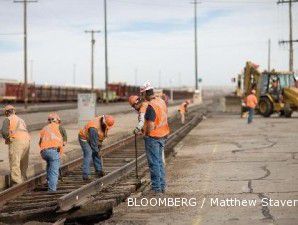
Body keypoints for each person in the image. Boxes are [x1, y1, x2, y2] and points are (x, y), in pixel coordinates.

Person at [144, 85, 170, 195]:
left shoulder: (151, 106)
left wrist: (147, 134)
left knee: (154, 163)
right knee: (159, 162)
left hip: (153, 137)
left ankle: (156, 189)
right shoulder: (161, 101)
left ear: (145, 94)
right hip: (162, 135)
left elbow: (150, 124)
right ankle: (162, 186)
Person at [78, 115, 115, 181]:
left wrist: (99, 145)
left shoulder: (105, 122)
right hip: (84, 138)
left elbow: (101, 135)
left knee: (96, 152)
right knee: (89, 153)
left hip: (93, 138)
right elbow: (94, 145)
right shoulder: (93, 128)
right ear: (104, 122)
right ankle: (86, 175)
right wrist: (98, 151)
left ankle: (99, 171)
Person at [1, 105, 30, 185]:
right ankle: (23, 179)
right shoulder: (21, 120)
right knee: (24, 162)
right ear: (14, 111)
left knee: (15, 162)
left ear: (6, 112)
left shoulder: (8, 119)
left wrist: (7, 137)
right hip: (27, 140)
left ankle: (17, 183)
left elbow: (4, 132)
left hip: (17, 141)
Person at [39, 112, 67, 191]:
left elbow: (40, 142)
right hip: (54, 151)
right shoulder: (60, 127)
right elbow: (64, 142)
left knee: (49, 166)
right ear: (57, 120)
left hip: (44, 152)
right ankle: (52, 190)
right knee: (54, 171)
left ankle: (49, 182)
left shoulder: (44, 128)